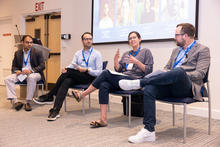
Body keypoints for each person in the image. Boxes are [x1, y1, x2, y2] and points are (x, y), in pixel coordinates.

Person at [119, 23, 210, 143]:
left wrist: (178, 73)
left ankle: (140, 83)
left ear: (186, 36)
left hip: (187, 87)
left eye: (177, 35)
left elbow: (200, 74)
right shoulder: (175, 50)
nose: (174, 38)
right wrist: (165, 72)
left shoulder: (203, 50)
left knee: (179, 71)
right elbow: (166, 67)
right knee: (149, 88)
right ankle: (149, 131)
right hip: (170, 85)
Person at [72, 31, 154, 127]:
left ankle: (83, 94)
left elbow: (148, 70)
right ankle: (103, 119)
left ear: (139, 39)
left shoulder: (146, 51)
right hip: (123, 78)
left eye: (134, 37)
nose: (132, 40)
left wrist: (136, 62)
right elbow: (119, 69)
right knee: (104, 85)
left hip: (134, 80)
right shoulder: (127, 53)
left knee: (105, 72)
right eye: (130, 38)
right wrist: (115, 61)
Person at [33, 32, 103, 121]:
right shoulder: (78, 53)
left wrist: (87, 70)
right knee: (66, 81)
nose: (88, 41)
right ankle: (55, 110)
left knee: (68, 72)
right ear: (82, 41)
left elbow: (99, 72)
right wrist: (65, 68)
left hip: (89, 77)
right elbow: (73, 64)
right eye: (86, 39)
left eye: (90, 39)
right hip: (78, 75)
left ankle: (50, 95)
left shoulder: (97, 54)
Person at [5, 35, 45, 111]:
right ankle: (16, 102)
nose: (29, 44)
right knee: (8, 79)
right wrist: (17, 71)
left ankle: (28, 102)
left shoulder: (38, 52)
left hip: (35, 73)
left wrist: (31, 71)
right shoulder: (17, 53)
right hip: (22, 74)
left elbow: (42, 66)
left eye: (31, 42)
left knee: (31, 77)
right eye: (27, 42)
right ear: (22, 43)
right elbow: (14, 67)